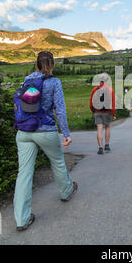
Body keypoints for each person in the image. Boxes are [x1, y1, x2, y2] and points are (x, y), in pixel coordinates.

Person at [14, 52, 78, 232]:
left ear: (36, 64)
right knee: (57, 161)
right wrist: (66, 133)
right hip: (45, 130)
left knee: (24, 174)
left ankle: (21, 219)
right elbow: (60, 109)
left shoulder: (27, 80)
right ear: (52, 65)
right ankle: (66, 191)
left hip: (24, 131)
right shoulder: (54, 82)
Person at [90, 73, 116, 155]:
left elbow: (91, 102)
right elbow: (113, 103)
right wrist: (114, 114)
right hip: (107, 112)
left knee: (99, 130)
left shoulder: (95, 89)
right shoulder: (110, 90)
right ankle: (107, 145)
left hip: (97, 111)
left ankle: (100, 147)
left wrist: (93, 110)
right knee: (107, 127)